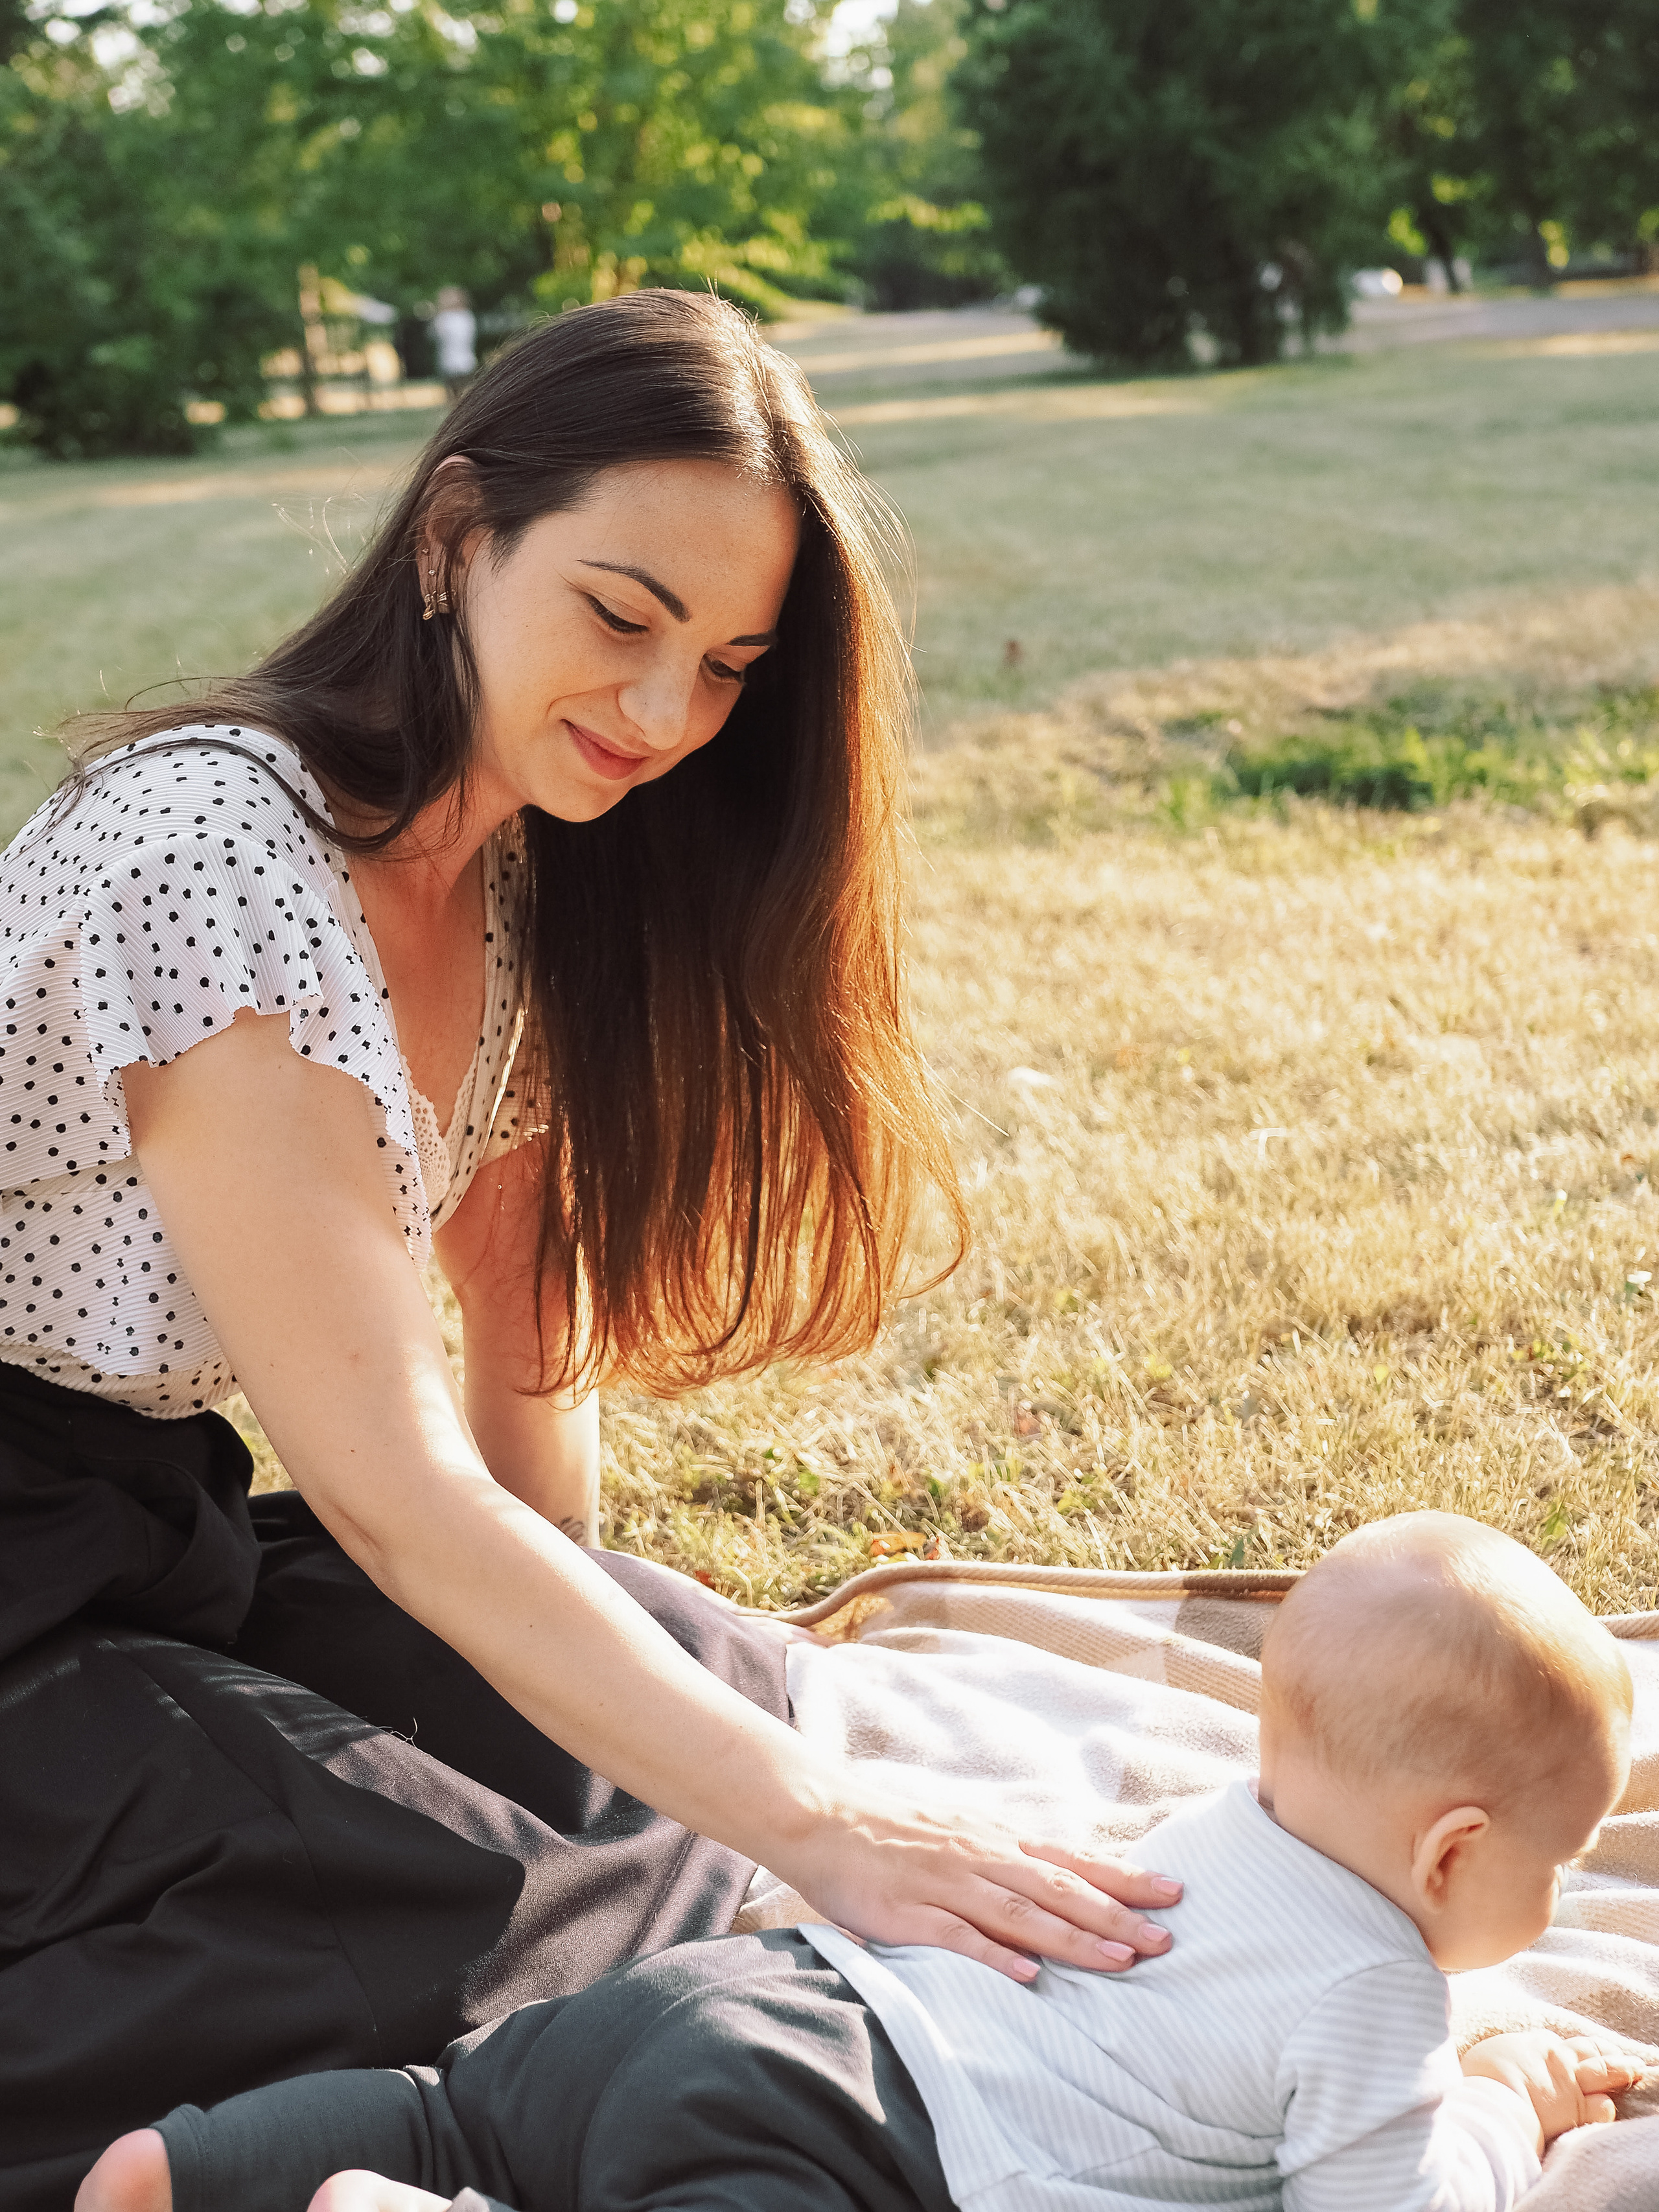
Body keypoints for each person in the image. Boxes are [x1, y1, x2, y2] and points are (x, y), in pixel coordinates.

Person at [1, 292, 1181, 2211]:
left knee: (666, 1704)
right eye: (620, 620)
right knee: (452, 1880)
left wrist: (655, 1720)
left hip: (134, 1531)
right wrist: (824, 1830)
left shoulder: (511, 882)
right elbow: (391, 1491)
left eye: (724, 664)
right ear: (458, 538)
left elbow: (521, 1369)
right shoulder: (210, 856)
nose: (662, 716)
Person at [79, 1512, 1646, 2212]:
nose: (1556, 1894)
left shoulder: (1214, 1831)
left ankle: (199, 2168)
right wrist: (1499, 2096)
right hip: (855, 2138)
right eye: (1555, 1859)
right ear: (1449, 1848)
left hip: (733, 1994)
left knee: (458, 2108)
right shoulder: (1371, 1987)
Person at [430, 287, 478, 402]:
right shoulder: (466, 317)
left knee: (458, 393)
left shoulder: (451, 318)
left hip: (457, 361)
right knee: (457, 393)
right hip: (458, 361)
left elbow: (435, 333)